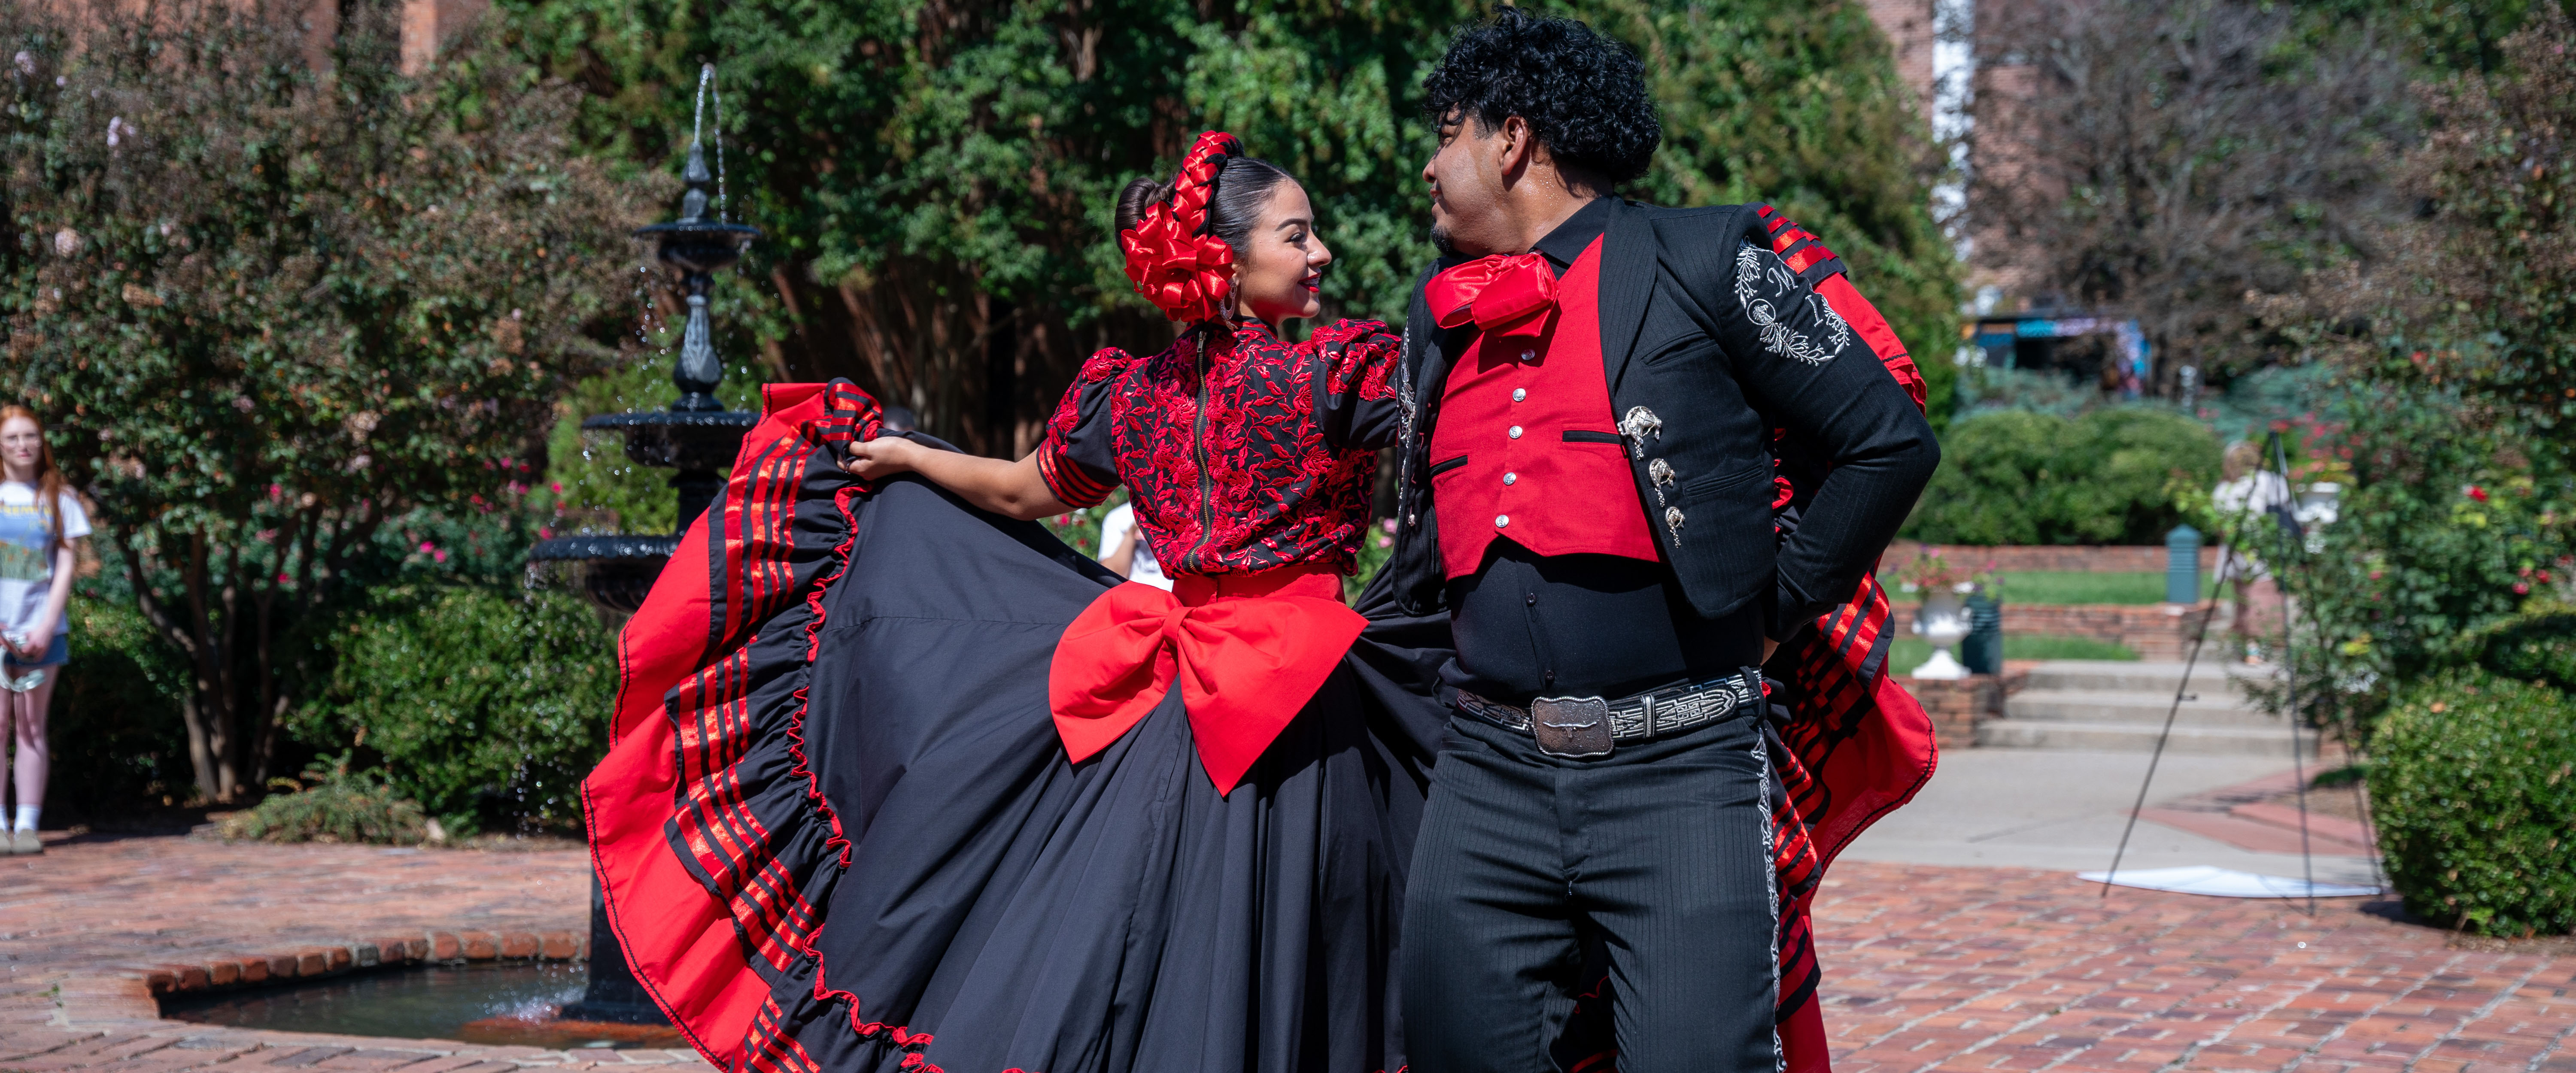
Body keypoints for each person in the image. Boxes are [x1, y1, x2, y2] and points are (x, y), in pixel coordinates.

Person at [585, 131, 1447, 1073]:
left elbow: (1016, 487)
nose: (1322, 251)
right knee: (1290, 949)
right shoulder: (1335, 373)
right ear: (1229, 259)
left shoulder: (1136, 396)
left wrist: (912, 455)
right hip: (1298, 710)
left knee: (1143, 947)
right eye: (1299, 233)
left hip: (1170, 716)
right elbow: (1460, 416)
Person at [1377, 11, 1944, 1072]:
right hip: (1484, 774)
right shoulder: (1436, 315)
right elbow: (1415, 559)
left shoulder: (1708, 258)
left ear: (1512, 141)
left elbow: (1887, 442)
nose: (1427, 164)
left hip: (1681, 764)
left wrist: (1771, 614)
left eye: (1445, 132)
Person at [0, 406, 85, 857]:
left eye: (30, 436)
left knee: (31, 727)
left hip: (41, 633)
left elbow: (67, 564)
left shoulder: (59, 497)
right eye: (12, 437)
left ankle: (28, 825)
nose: (22, 445)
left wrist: (47, 623)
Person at [2212, 439, 2292, 662]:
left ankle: (2250, 649)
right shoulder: (2268, 482)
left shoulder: (2224, 489)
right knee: (2262, 601)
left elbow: (2220, 525)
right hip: (2263, 552)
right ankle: (2257, 650)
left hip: (2237, 553)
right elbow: (2286, 508)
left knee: (2245, 601)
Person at [1096, 500, 1172, 589]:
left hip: (1178, 600)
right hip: (1136, 599)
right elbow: (1111, 577)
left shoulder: (1182, 511)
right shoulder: (1117, 518)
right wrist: (1131, 533)